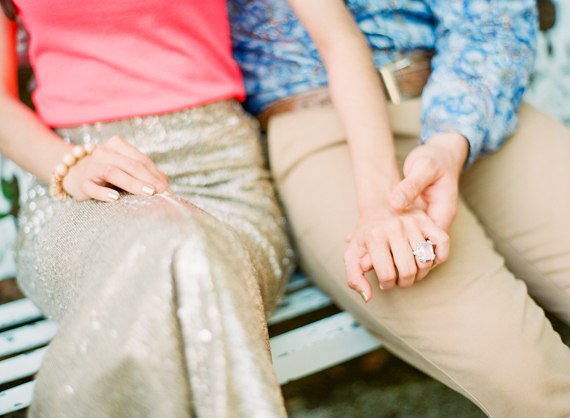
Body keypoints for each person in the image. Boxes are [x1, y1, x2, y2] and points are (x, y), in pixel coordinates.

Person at [228, 0, 570, 416]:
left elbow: (494, 16)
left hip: (474, 97)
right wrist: (384, 200)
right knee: (528, 378)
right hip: (321, 130)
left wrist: (450, 138)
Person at [0, 1, 299, 417]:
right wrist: (68, 165)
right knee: (173, 250)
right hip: (79, 185)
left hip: (222, 179)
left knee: (189, 250)